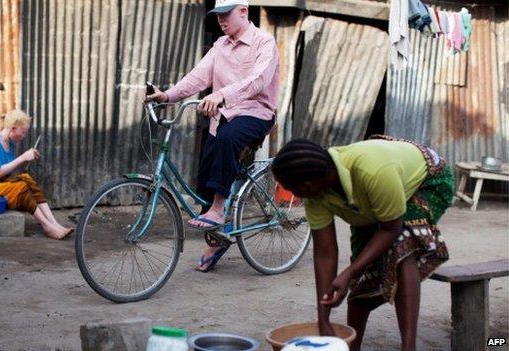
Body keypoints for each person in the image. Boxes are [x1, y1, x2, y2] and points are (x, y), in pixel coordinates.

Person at [271, 136, 454, 351]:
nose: (294, 195)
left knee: (402, 245)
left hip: (427, 181)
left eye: (291, 188)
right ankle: (351, 346)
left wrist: (348, 273)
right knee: (362, 276)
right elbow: (325, 253)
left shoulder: (372, 171)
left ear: (308, 184)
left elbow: (390, 229)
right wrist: (324, 321)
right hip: (372, 206)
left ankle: (409, 347)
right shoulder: (315, 196)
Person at [145, 0, 280, 272]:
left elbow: (258, 81)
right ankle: (217, 237)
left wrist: (221, 94)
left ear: (243, 11)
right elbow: (198, 77)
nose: (220, 20)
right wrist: (167, 96)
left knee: (228, 138)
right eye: (217, 15)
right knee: (207, 169)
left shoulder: (264, 42)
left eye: (225, 14)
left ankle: (219, 210)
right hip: (224, 115)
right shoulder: (220, 45)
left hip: (256, 112)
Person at [0, 110, 72, 240]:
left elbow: (5, 173)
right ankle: (47, 226)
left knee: (26, 179)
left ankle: (55, 224)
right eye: (23, 132)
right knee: (20, 187)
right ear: (13, 128)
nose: (24, 136)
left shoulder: (10, 144)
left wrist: (25, 160)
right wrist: (23, 157)